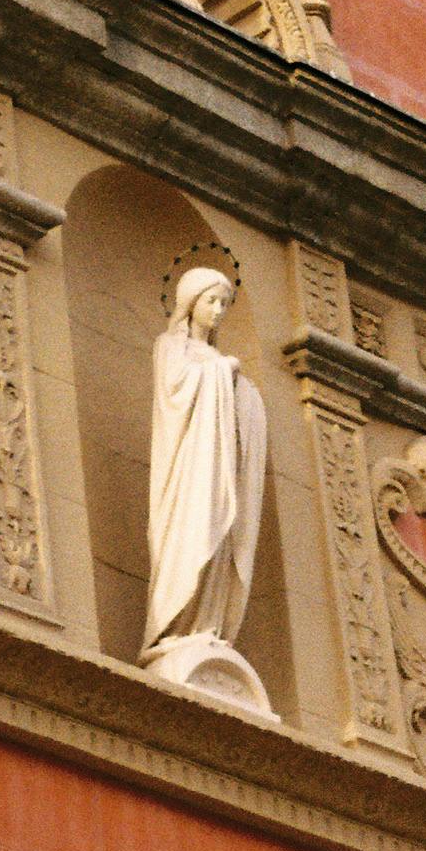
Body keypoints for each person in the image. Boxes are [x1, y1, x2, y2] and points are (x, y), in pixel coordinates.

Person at [141, 267, 272, 711]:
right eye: (211, 301)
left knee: (223, 541)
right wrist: (219, 374)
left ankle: (209, 628)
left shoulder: (215, 359)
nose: (217, 312)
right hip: (189, 474)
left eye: (224, 305)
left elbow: (237, 404)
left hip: (220, 471)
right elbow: (176, 393)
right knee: (192, 535)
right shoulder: (170, 347)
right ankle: (175, 629)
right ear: (190, 301)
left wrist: (240, 391)